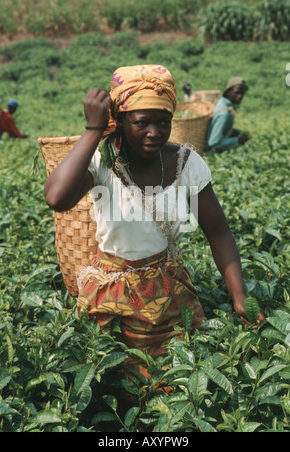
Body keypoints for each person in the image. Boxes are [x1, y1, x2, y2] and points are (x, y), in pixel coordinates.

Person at [44, 65, 264, 375]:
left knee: (175, 380)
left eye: (164, 122)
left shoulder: (186, 163)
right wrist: (93, 130)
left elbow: (217, 231)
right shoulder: (104, 162)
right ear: (120, 121)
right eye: (141, 123)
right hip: (111, 292)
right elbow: (56, 197)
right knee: (112, 381)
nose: (154, 132)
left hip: (168, 291)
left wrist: (239, 296)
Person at [206, 77, 249, 154]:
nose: (240, 96)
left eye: (242, 93)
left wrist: (237, 132)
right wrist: (237, 140)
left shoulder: (223, 104)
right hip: (211, 154)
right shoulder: (224, 114)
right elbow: (214, 142)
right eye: (237, 93)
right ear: (228, 92)